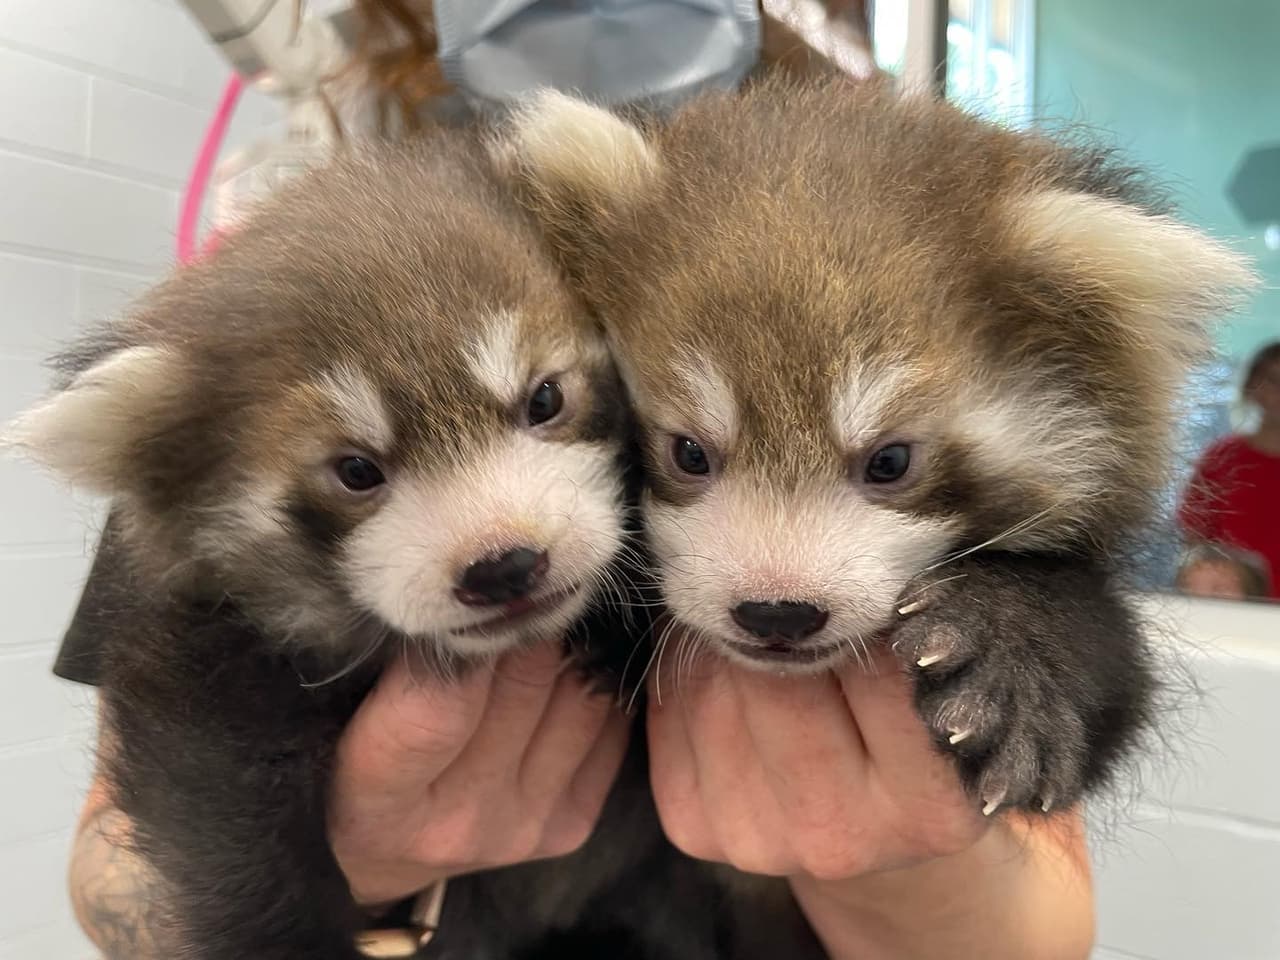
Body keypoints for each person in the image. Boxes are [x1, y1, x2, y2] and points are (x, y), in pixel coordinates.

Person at [61, 3, 1095, 958]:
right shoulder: (260, 323)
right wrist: (356, 882)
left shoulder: (870, 229)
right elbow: (123, 854)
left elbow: (1049, 917)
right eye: (359, 473)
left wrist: (899, 866)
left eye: (546, 407)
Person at [1178, 341, 1280, 599]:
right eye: (1273, 379)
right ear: (1251, 385)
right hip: (1232, 608)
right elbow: (1194, 538)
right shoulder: (1222, 458)